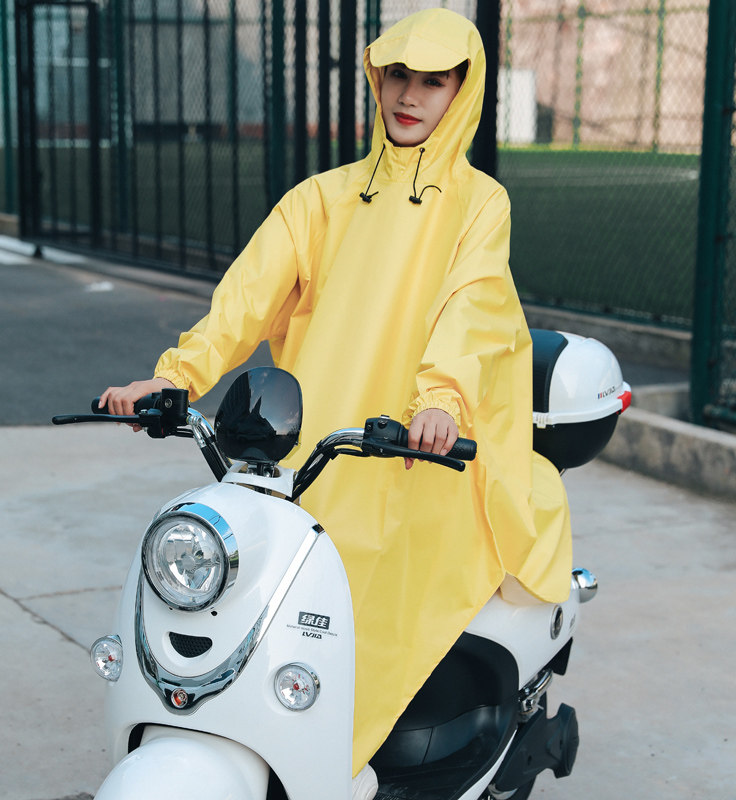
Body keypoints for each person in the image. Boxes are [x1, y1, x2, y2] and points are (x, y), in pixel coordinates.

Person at [100, 8, 572, 798]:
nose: (409, 96)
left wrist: (442, 403)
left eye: (433, 80)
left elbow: (474, 304)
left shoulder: (479, 204)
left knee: (373, 611)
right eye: (397, 76)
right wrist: (178, 375)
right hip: (313, 452)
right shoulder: (321, 199)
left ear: (464, 89)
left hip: (421, 450)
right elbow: (246, 296)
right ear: (374, 79)